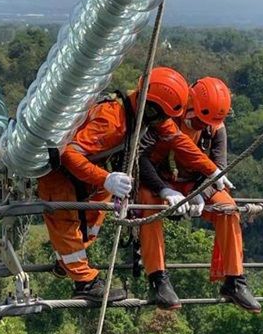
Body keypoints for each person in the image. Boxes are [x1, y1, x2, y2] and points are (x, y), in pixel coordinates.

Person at [37, 67, 230, 302]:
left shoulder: (143, 115)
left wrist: (212, 170)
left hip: (87, 169)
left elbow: (178, 140)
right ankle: (84, 282)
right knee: (66, 216)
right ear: (151, 108)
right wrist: (105, 178)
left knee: (98, 206)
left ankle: (66, 262)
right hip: (58, 173)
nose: (161, 122)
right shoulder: (113, 121)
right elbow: (69, 154)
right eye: (159, 116)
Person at [137, 76, 261, 313]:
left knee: (228, 208)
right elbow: (140, 158)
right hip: (158, 181)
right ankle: (158, 278)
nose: (201, 126)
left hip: (195, 185)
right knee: (148, 204)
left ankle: (235, 280)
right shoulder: (165, 118)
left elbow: (217, 168)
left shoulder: (215, 127)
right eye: (197, 120)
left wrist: (199, 194)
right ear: (190, 107)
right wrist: (163, 189)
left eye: (206, 123)